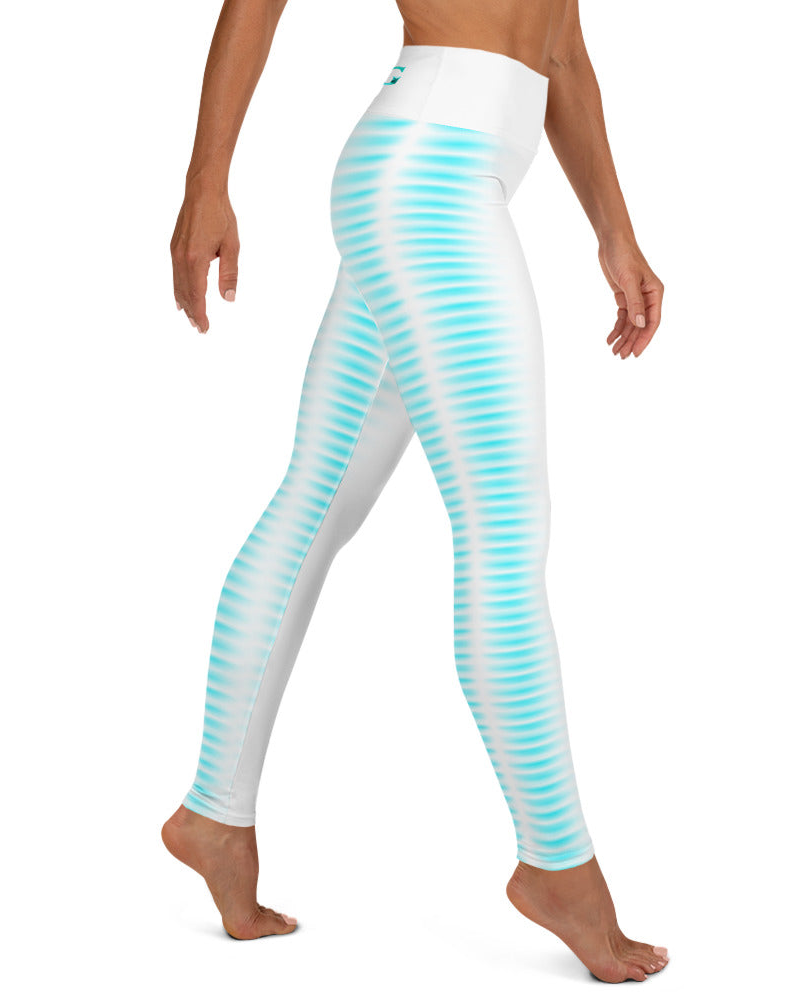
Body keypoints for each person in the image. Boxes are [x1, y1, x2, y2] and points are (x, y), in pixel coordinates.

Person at [162, 0, 667, 983]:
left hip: (442, 171)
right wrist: (205, 184)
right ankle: (557, 862)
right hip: (429, 177)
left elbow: (560, 43)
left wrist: (614, 230)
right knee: (504, 527)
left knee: (314, 501)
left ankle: (213, 816)